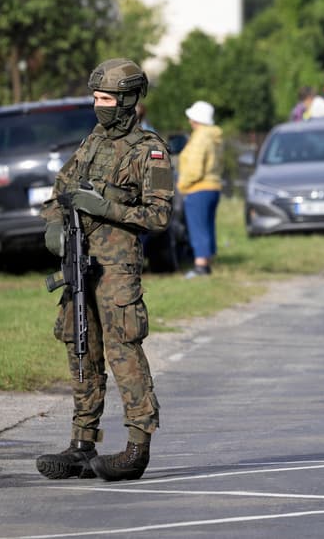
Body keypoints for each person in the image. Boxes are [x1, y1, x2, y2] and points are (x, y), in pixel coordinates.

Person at [35, 58, 173, 482]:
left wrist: (107, 208)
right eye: (96, 97)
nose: (99, 105)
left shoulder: (148, 150)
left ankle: (137, 446)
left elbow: (159, 216)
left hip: (117, 268)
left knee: (123, 352)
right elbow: (60, 192)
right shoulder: (92, 141)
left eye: (107, 98)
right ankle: (82, 441)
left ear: (129, 99)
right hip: (80, 262)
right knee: (81, 348)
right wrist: (55, 224)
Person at [178, 100, 224, 278]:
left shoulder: (200, 137)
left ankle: (200, 266)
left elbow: (195, 168)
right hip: (213, 185)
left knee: (198, 227)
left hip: (198, 187)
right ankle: (207, 262)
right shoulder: (214, 136)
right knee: (208, 225)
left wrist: (182, 184)